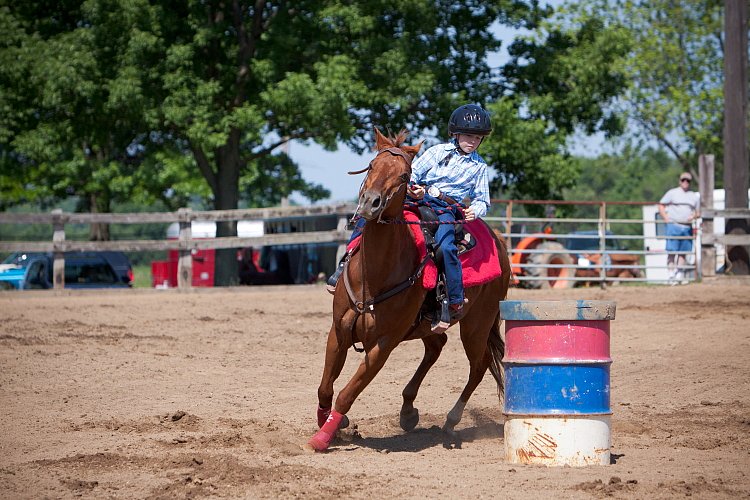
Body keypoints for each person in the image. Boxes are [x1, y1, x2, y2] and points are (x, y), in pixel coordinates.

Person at [327, 104, 492, 321]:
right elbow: (412, 174)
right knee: (367, 217)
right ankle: (343, 265)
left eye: (478, 138)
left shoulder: (479, 167)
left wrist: (475, 210)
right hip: (418, 198)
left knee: (446, 246)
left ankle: (453, 297)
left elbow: (483, 200)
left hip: (446, 210)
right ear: (456, 133)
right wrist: (415, 189)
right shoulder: (437, 152)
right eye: (468, 135)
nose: (472, 141)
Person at [658, 172, 699, 284]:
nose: (685, 182)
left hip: (686, 227)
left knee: (683, 253)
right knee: (671, 252)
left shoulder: (693, 196)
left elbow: (698, 212)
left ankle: (679, 274)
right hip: (673, 226)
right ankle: (671, 275)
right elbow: (661, 205)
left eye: (688, 181)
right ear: (680, 181)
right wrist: (666, 218)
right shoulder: (672, 193)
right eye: (683, 180)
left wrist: (694, 216)